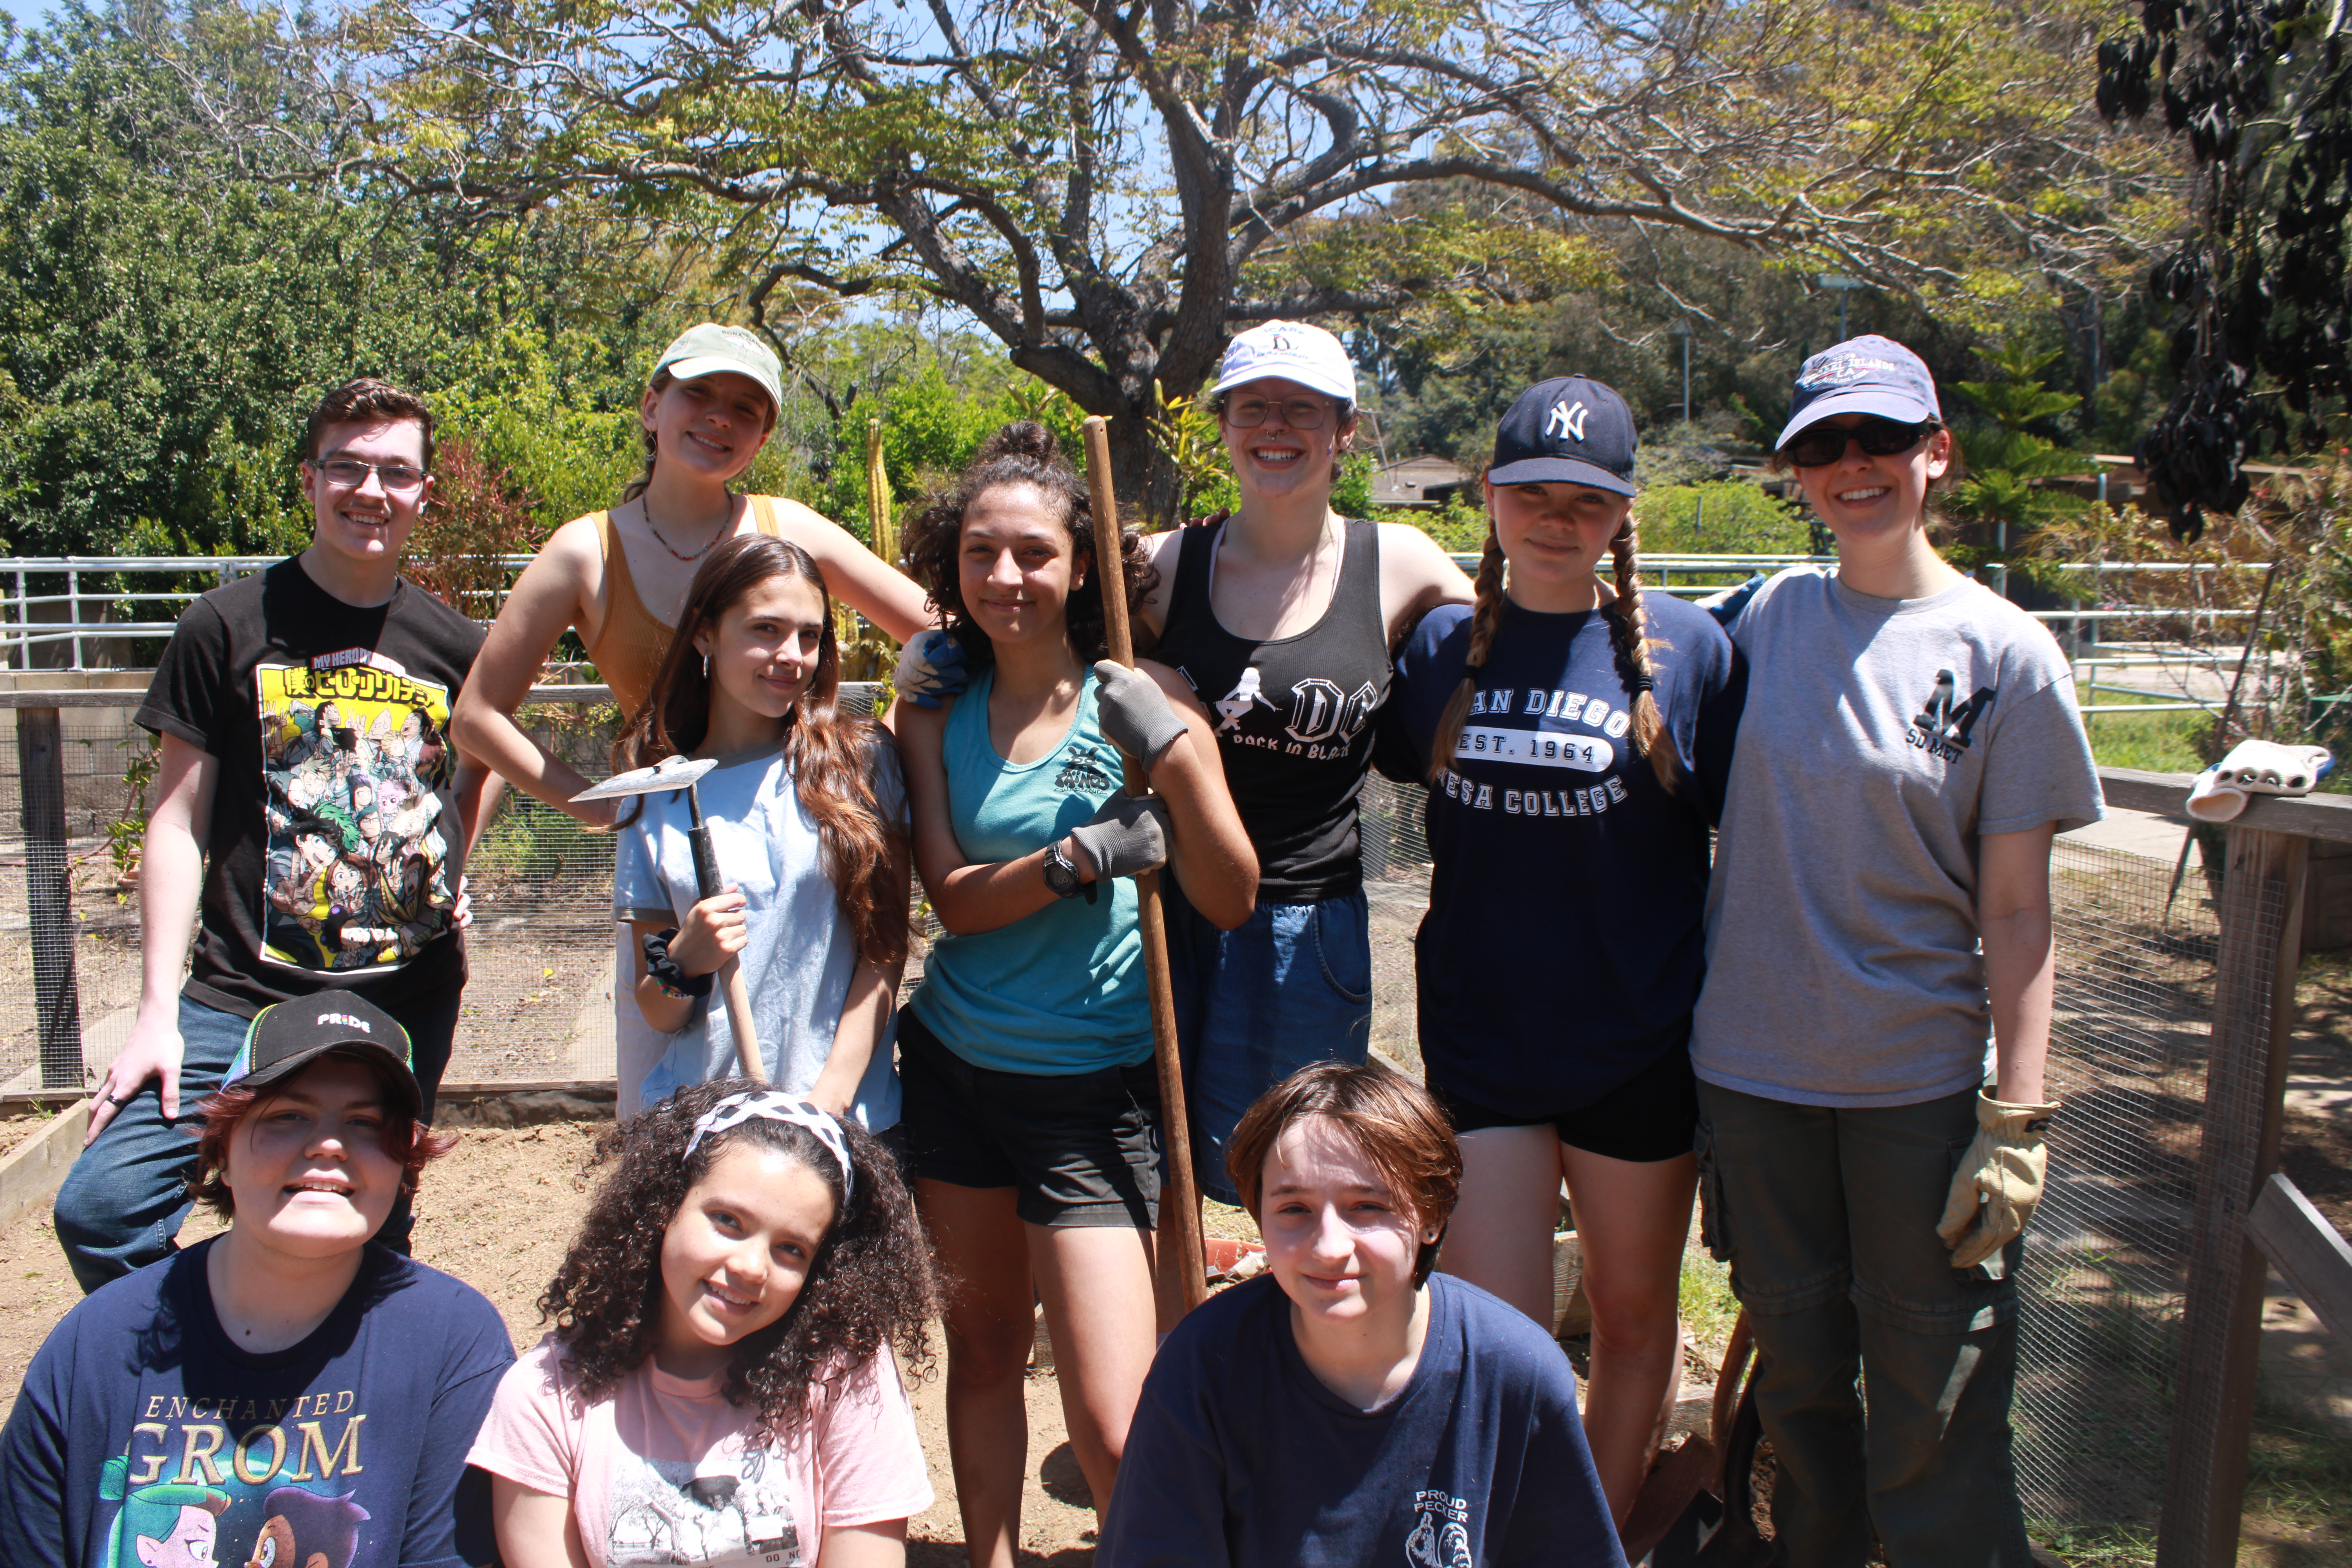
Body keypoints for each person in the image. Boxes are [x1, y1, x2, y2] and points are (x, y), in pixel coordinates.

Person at [1690, 336, 2102, 1566]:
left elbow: (2017, 913)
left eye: (1877, 438)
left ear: (1935, 454)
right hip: (1751, 1081)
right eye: (1820, 445)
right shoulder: (1757, 619)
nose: (1850, 465)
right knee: (1800, 1382)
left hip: (1913, 1091)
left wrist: (2015, 1114)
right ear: (1795, 474)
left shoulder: (2005, 655)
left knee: (1936, 1393)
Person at [1376, 375, 1744, 1530]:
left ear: (1621, 512)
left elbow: (1752, 830)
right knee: (1505, 1338)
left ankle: (1583, 1537)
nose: (1555, 517)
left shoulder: (1691, 651)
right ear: (1487, 497)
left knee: (1633, 1320)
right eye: (1529, 491)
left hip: (1636, 1041)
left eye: (1584, 500)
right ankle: (1506, 1533)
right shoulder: (1439, 647)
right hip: (1485, 1043)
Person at [891, 422, 1256, 1568]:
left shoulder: (1138, 698)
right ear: (952, 563)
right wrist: (1081, 856)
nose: (1006, 578)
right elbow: (949, 898)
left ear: (1083, 565)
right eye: (981, 553)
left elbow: (1230, 892)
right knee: (986, 1346)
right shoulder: (931, 706)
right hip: (955, 1070)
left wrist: (1184, 760)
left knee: (1113, 1414)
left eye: (1034, 554)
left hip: (1096, 1093)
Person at [58, 378, 503, 1292]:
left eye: (396, 471)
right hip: (239, 992)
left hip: (403, 993)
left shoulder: (459, 645)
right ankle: (217, 1330)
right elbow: (177, 821)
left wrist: (454, 862)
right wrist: (153, 1010)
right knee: (102, 1208)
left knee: (370, 1220)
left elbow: (477, 768)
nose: (370, 490)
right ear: (309, 478)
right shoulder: (223, 626)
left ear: (423, 493)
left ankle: (340, 1401)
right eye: (347, 466)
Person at [447, 323, 933, 1119]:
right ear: (651, 405)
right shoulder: (586, 551)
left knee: (809, 1005)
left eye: (746, 407)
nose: (719, 417)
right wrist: (602, 802)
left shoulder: (789, 528)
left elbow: (936, 630)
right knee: (671, 1054)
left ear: (765, 433)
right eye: (698, 394)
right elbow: (477, 713)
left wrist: (873, 745)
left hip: (799, 807)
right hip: (672, 829)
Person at [1133, 321, 1472, 1216]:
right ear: (1224, 424)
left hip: (1309, 923)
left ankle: (1299, 1344)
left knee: (1301, 1169)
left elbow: (1521, 636)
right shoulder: (1167, 567)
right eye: (1253, 407)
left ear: (1344, 430)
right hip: (1169, 913)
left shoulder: (1394, 561)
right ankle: (1182, 1347)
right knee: (1163, 1167)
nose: (1275, 426)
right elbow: (1032, 630)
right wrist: (927, 660)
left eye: (1301, 409)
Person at [2, 991, 516, 1568]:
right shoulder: (99, 1341)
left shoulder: (452, 1343)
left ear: (404, 1162)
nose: (328, 1143)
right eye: (287, 1116)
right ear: (220, 1143)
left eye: (366, 1123)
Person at [1096, 1061, 1626, 1567]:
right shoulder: (1202, 1366)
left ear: (1432, 1215)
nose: (1329, 1247)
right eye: (1294, 1209)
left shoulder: (1519, 1373)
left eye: (1367, 1207)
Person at [468, 1080, 935, 1568]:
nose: (752, 1267)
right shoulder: (546, 1396)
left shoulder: (843, 1377)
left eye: (791, 1249)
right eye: (728, 1220)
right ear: (665, 1206)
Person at [608, 534, 911, 1121]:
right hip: (708, 1124)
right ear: (704, 633)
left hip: (841, 1123)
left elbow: (885, 955)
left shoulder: (863, 765)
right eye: (765, 630)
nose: (794, 655)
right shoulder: (656, 796)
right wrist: (684, 961)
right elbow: (658, 1010)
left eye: (811, 636)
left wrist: (825, 1110)